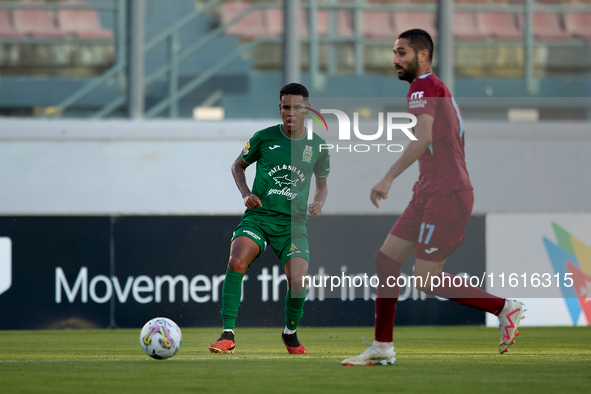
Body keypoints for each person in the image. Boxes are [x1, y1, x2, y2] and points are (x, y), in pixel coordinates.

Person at [341, 29, 524, 366]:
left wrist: (388, 177)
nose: (395, 60)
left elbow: (423, 138)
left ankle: (502, 306)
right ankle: (382, 346)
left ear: (423, 55)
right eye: (394, 53)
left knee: (426, 278)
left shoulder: (423, 86)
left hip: (446, 193)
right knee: (386, 259)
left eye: (402, 53)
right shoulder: (434, 87)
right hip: (429, 190)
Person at [208, 83, 330, 355]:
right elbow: (237, 165)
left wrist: (318, 203)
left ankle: (290, 334)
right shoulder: (263, 138)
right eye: (286, 107)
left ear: (307, 110)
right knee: (236, 260)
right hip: (259, 218)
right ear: (280, 108)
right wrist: (245, 193)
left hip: (293, 225)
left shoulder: (318, 146)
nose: (291, 113)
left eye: (297, 108)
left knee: (298, 280)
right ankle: (227, 334)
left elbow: (322, 184)